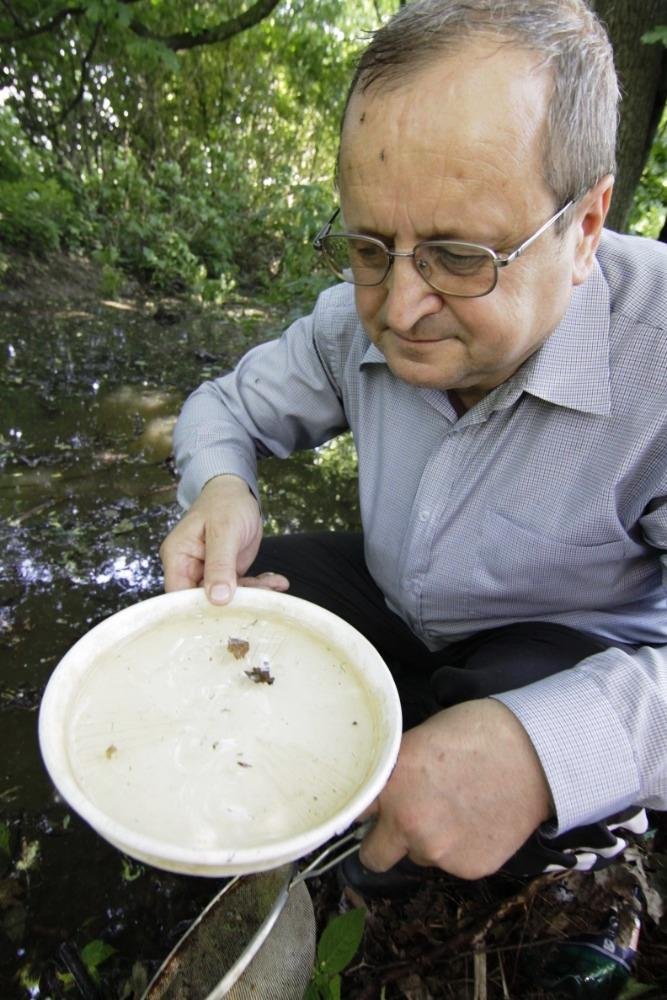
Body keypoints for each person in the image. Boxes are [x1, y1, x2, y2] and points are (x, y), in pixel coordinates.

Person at [160, 0, 667, 889]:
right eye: (368, 247)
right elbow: (220, 410)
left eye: (459, 255)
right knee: (230, 598)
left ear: (584, 229)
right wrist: (220, 490)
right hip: (402, 604)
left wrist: (545, 748)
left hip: (563, 650)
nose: (396, 313)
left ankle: (587, 858)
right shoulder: (352, 323)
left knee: (427, 830)